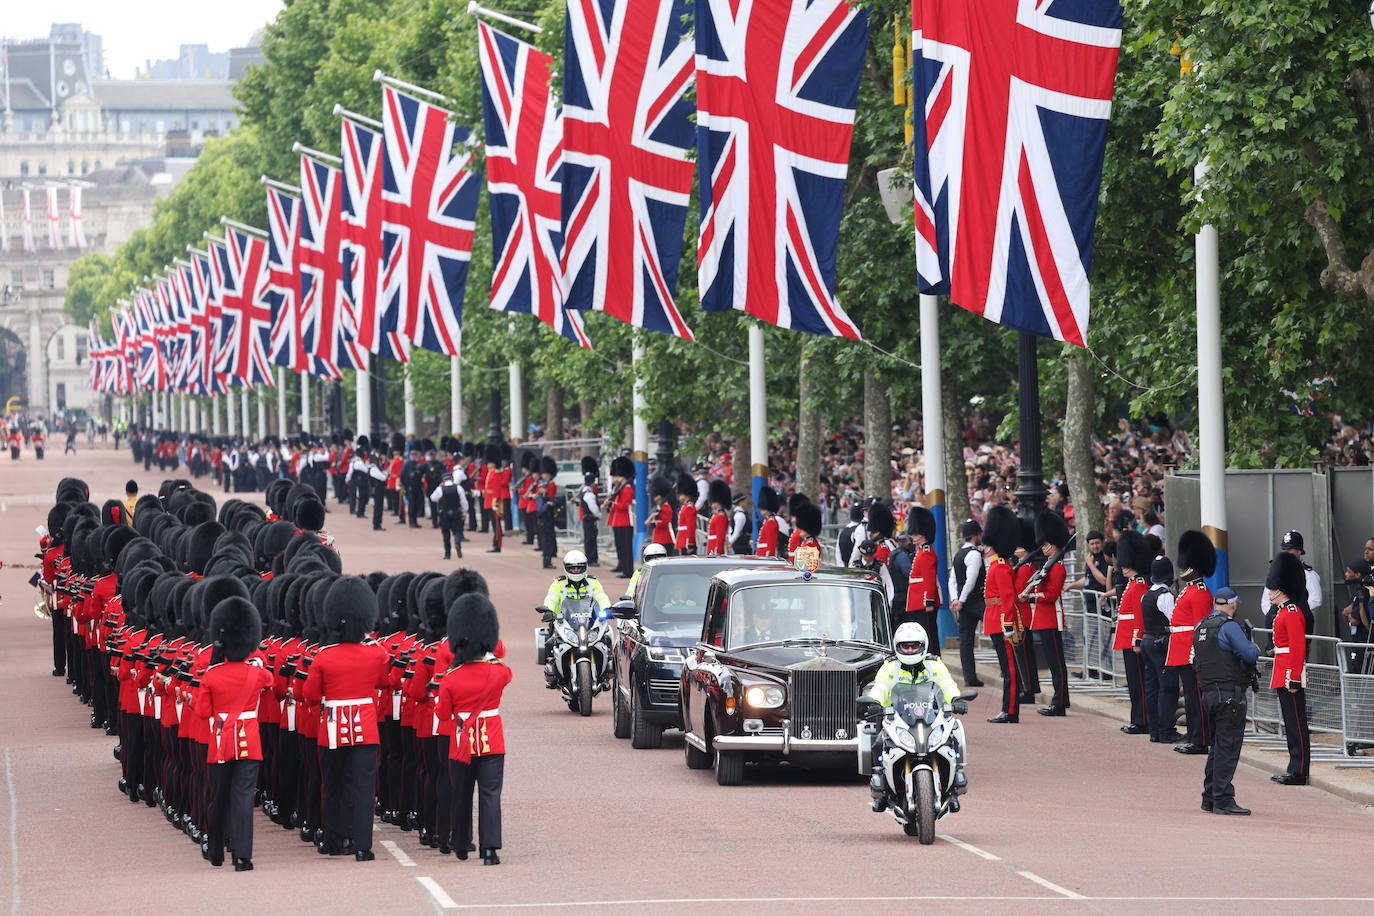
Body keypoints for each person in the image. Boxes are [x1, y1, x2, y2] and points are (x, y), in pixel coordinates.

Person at [302, 577, 390, 860]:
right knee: (363, 788)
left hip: (331, 728)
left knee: (333, 785)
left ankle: (334, 840)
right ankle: (363, 845)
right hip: (365, 728)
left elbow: (311, 696)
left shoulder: (323, 657)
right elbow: (383, 682)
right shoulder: (375, 655)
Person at [192, 597, 273, 870]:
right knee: (243, 797)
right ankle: (242, 857)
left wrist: (216, 659)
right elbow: (269, 678)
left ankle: (215, 851)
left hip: (220, 742)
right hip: (249, 742)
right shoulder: (258, 674)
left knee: (219, 796)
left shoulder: (212, 676)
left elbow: (203, 712)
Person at [437, 593, 511, 865]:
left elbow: (443, 714)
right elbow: (501, 657)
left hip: (461, 744)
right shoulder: (500, 672)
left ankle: (460, 843)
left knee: (461, 794)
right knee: (490, 795)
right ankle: (489, 850)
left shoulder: (450, 680)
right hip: (492, 741)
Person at [865, 622, 968, 811]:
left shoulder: (934, 664)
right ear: (897, 647)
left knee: (953, 737)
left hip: (931, 716)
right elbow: (880, 687)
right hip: (897, 718)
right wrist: (874, 702)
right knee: (878, 742)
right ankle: (881, 789)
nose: (910, 650)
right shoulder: (890, 667)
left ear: (924, 645)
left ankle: (953, 789)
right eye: (906, 646)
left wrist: (956, 698)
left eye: (914, 646)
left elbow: (946, 684)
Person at [1192, 586, 1259, 815]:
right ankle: (1223, 799)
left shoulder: (1201, 625)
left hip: (1208, 692)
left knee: (1216, 747)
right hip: (1229, 693)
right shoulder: (1229, 627)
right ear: (1232, 604)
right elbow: (1249, 654)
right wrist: (1255, 646)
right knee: (1227, 748)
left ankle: (1209, 796)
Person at [1170, 531, 1218, 755]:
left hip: (1190, 651)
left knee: (1196, 698)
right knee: (1190, 697)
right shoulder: (1190, 589)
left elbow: (1200, 628)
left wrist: (1195, 653)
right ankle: (1194, 735)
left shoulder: (1200, 592)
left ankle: (1201, 739)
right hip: (1181, 649)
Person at [1266, 551, 1310, 786]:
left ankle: (1300, 770)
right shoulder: (1283, 611)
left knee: (1296, 721)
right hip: (1282, 669)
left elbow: (1297, 647)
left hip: (1289, 672)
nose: (1269, 593)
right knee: (1290, 721)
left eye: (1272, 589)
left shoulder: (1292, 612)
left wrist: (1294, 678)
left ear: (1281, 589)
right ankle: (1294, 767)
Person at [1028, 511, 1069, 716]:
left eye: (1045, 545)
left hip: (1051, 618)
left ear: (1053, 545)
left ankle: (1059, 703)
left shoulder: (1058, 567)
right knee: (1054, 663)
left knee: (1056, 664)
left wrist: (1032, 597)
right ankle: (1062, 700)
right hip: (1044, 618)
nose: (1043, 548)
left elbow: (1051, 595)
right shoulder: (1048, 566)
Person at [982, 506, 1020, 723]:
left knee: (1010, 670)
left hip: (1001, 622)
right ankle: (1008, 709)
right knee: (1006, 669)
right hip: (994, 619)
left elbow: (1007, 599)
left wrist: (1008, 625)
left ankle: (1011, 711)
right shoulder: (996, 565)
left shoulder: (1002, 567)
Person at [1112, 530, 1151, 735]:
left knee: (1139, 684)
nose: (1123, 566)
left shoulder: (1139, 585)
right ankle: (1137, 718)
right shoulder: (1132, 584)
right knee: (1133, 683)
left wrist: (1137, 639)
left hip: (1133, 640)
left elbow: (1139, 617)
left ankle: (1142, 720)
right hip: (1127, 638)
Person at [1140, 555, 1182, 744]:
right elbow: (1175, 620)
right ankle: (1166, 730)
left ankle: (1155, 730)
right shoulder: (1165, 596)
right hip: (1161, 644)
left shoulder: (1146, 595)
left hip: (1147, 642)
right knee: (1168, 687)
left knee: (1152, 688)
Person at [1260, 530, 1320, 635]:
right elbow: (1266, 599)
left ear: (1299, 551)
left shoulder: (1308, 574)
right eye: (1284, 549)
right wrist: (1275, 616)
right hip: (1276, 622)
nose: (1286, 553)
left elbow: (1315, 599)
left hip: (1296, 621)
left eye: (1289, 550)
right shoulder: (1276, 571)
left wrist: (1294, 612)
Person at [947, 520, 985, 688]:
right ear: (976, 535)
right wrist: (960, 600)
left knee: (966, 641)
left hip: (964, 602)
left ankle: (969, 676)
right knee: (998, 633)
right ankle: (971, 676)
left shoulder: (958, 554)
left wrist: (955, 598)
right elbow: (971, 581)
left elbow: (952, 581)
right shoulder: (974, 554)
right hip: (976, 601)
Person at [903, 506, 940, 643]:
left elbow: (929, 580)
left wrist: (929, 601)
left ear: (920, 533)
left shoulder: (926, 553)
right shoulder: (921, 552)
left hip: (923, 602)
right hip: (917, 601)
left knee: (928, 637)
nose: (912, 537)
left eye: (914, 534)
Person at [605, 456, 635, 578]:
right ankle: (621, 565)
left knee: (626, 547)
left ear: (622, 475)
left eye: (616, 475)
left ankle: (628, 570)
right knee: (620, 545)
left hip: (625, 521)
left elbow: (624, 505)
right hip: (617, 520)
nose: (614, 477)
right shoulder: (619, 487)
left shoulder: (627, 488)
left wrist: (612, 503)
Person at [429, 471, 469, 560]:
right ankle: (457, 541)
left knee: (446, 535)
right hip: (457, 513)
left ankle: (447, 554)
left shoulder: (440, 489)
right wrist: (464, 512)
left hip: (444, 514)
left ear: (443, 480)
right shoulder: (458, 488)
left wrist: (439, 488)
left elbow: (433, 498)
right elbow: (464, 502)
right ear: (452, 479)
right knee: (458, 531)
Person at [534, 456, 559, 568]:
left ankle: (548, 557)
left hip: (549, 516)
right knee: (546, 539)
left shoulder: (551, 485)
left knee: (548, 538)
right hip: (544, 516)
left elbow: (552, 498)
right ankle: (547, 560)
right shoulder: (544, 486)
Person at [578, 457, 601, 565]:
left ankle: (590, 557)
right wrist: (599, 515)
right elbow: (594, 508)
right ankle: (592, 559)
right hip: (590, 518)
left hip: (586, 517)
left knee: (589, 539)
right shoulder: (589, 493)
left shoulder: (584, 490)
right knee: (591, 539)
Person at [704, 481, 731, 556]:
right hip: (712, 548)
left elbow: (720, 536)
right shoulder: (718, 515)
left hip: (715, 549)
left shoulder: (720, 516)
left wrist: (718, 551)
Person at [674, 473, 698, 556]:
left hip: (686, 543)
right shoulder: (685, 506)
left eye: (680, 493)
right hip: (682, 541)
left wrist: (690, 544)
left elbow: (691, 527)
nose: (678, 495)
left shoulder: (689, 507)